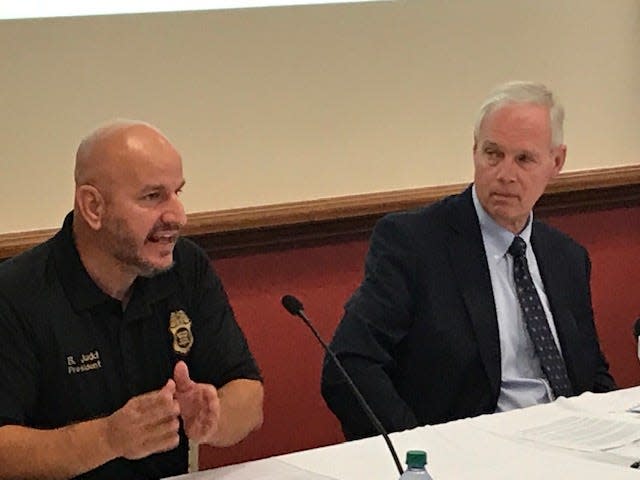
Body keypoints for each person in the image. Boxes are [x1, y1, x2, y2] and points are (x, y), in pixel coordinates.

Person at [321, 81, 616, 440]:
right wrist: (420, 451)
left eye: (524, 159)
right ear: (474, 150)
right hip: (469, 453)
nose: (505, 174)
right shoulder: (414, 243)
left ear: (557, 162)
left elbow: (590, 375)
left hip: (567, 448)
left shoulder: (567, 257)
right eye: (493, 154)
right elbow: (349, 365)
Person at [0, 121, 264, 479]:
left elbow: (248, 392)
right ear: (93, 206)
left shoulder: (186, 267)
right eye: (153, 197)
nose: (178, 216)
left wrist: (214, 417)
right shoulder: (16, 294)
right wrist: (109, 438)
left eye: (177, 193)